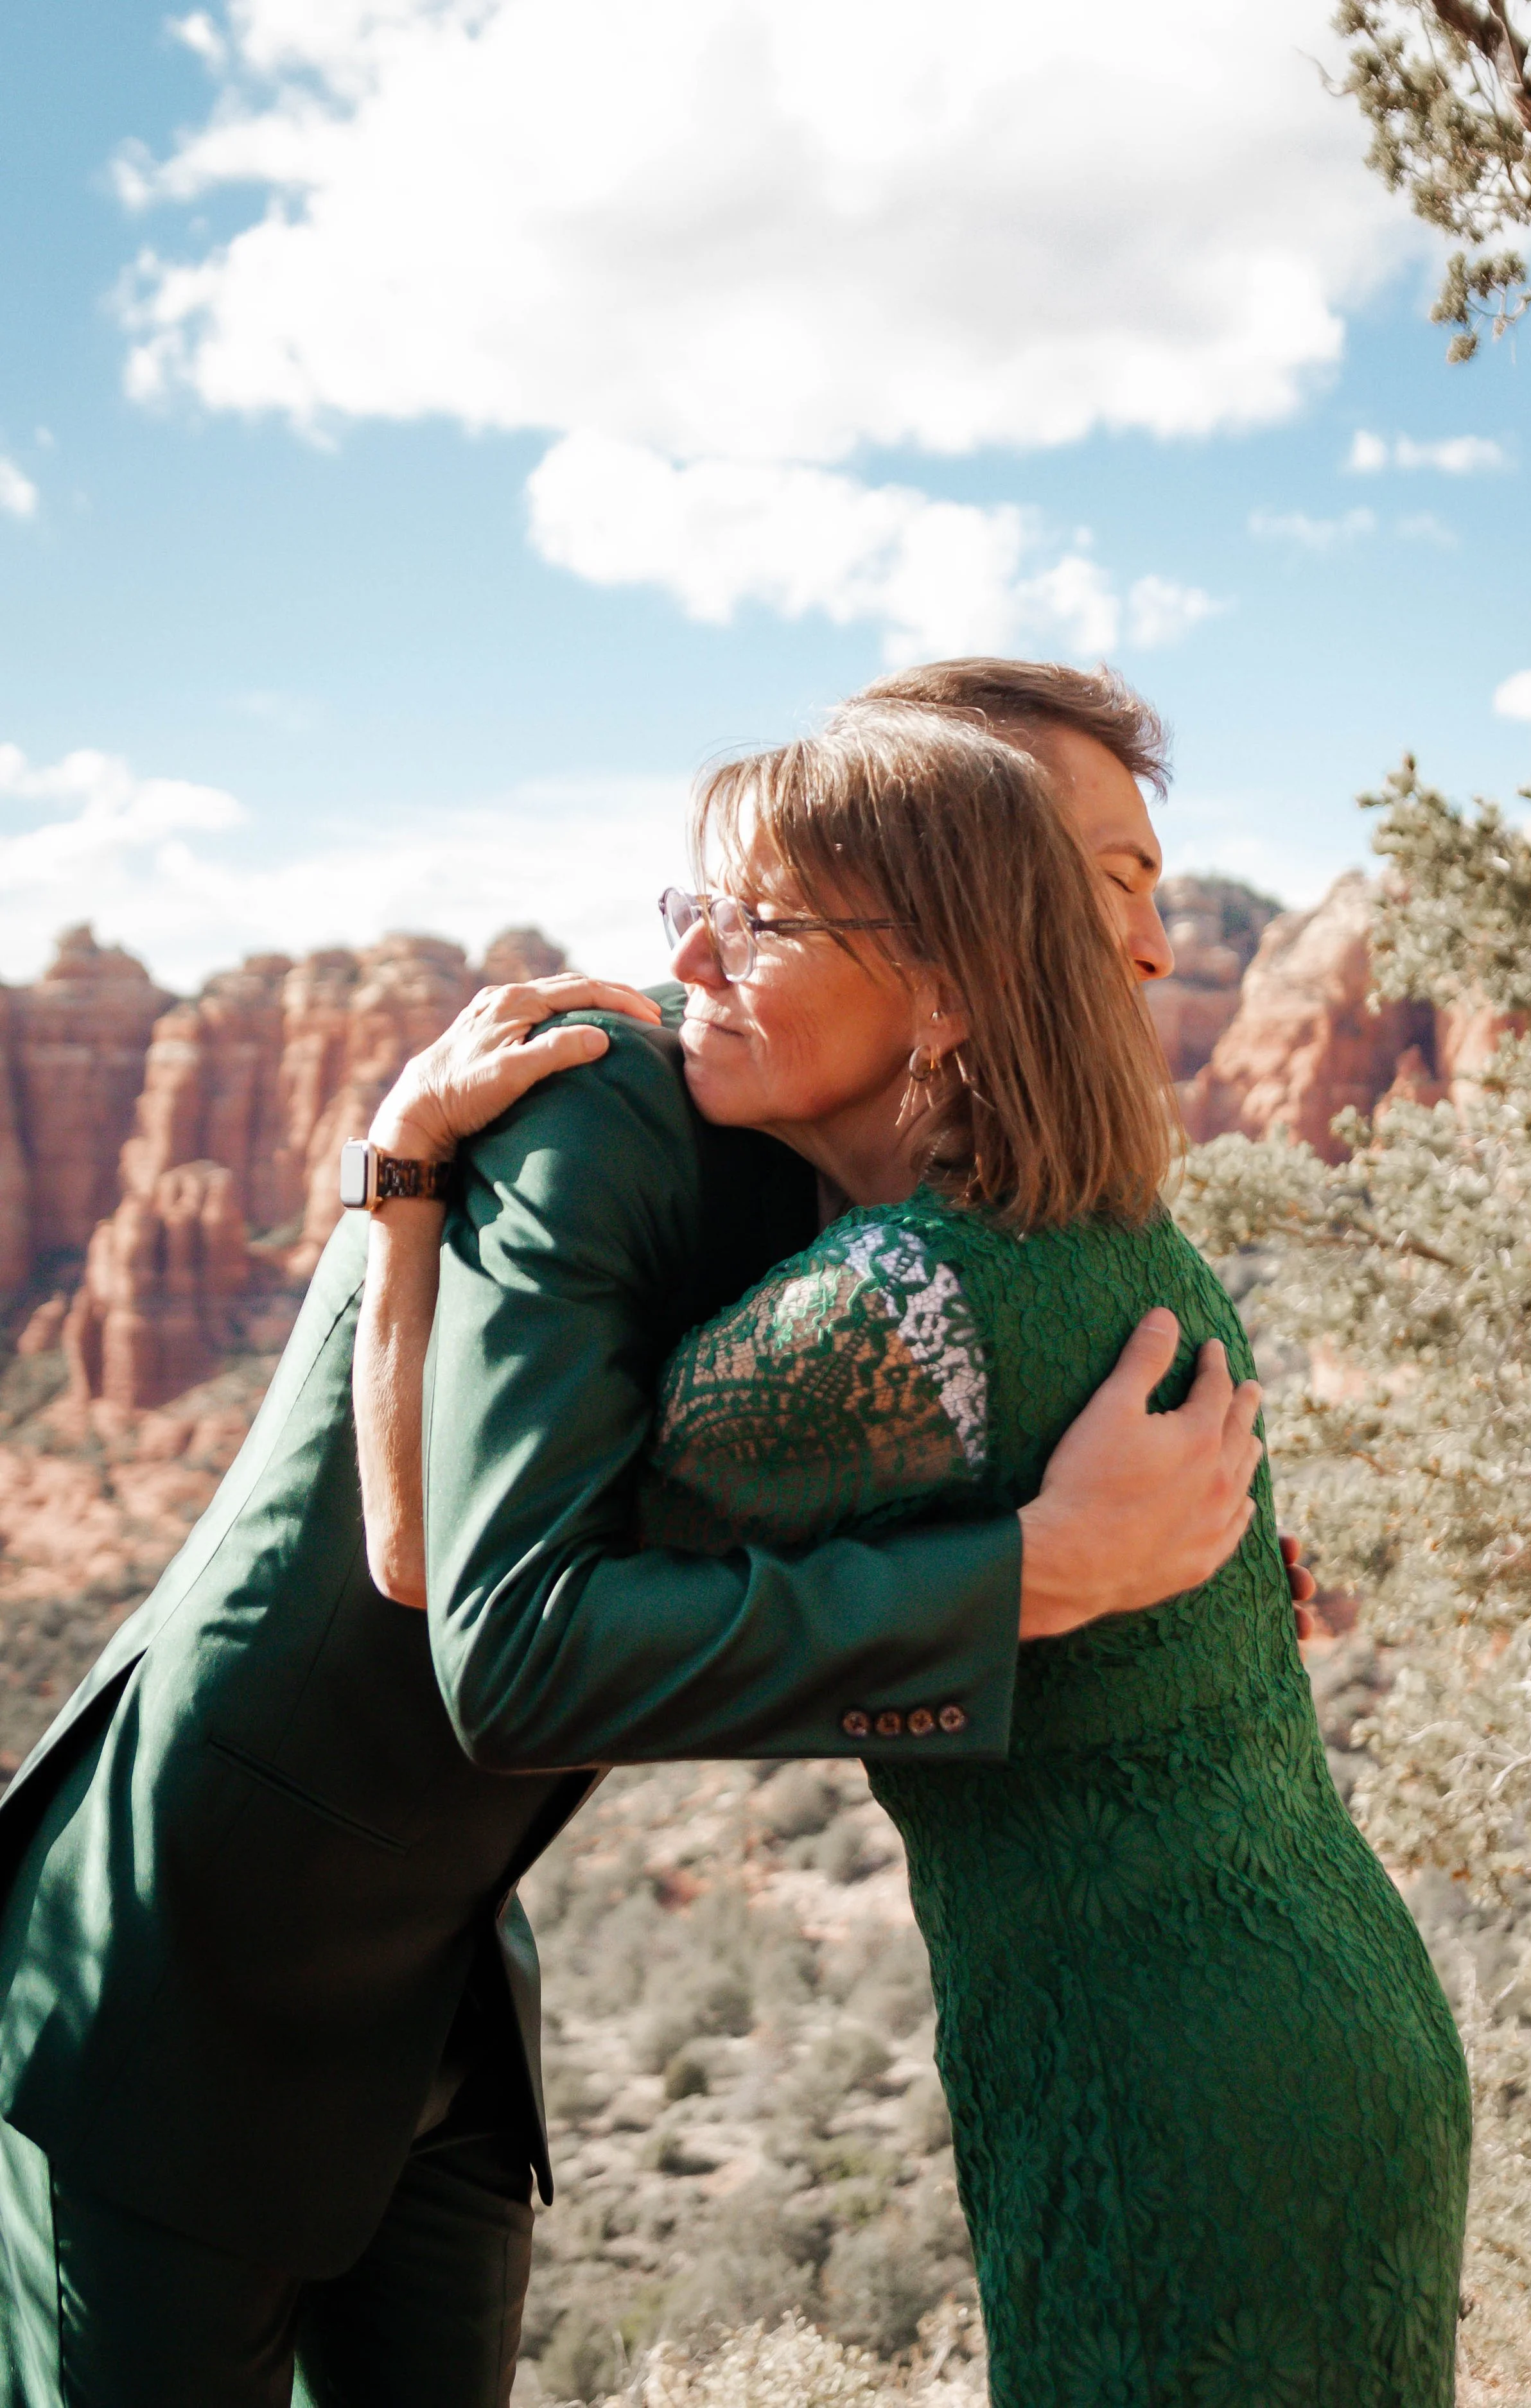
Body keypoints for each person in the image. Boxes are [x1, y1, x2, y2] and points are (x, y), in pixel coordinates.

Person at [0, 652, 1270, 2406]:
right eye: (1099, 877)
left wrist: (1200, 1591)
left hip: (446, 1959)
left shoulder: (899, 1181)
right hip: (197, 1953)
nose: (1132, 940)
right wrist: (1031, 1577)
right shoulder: (608, 1104)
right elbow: (449, 1588)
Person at [380, 706, 1471, 2404]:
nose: (683, 961)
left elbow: (459, 1586)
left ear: (948, 988)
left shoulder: (894, 1316)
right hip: (1319, 2005)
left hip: (1163, 2082)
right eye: (692, 903)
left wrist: (400, 1194)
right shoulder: (1092, 1222)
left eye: (759, 920)